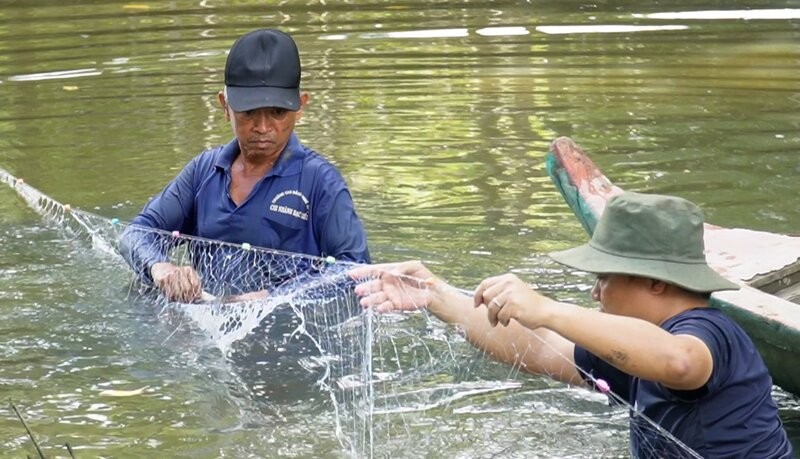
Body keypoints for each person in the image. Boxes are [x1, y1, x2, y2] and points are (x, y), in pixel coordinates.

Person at [350, 191, 791, 458]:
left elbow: (678, 361)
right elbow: (541, 349)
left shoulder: (710, 333)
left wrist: (549, 308)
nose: (596, 293)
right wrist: (436, 296)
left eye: (604, 278)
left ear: (656, 283)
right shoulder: (632, 350)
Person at [120, 29, 370, 302]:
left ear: (300, 106)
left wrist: (268, 298)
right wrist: (162, 269)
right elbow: (136, 233)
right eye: (249, 112)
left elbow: (357, 271)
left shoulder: (320, 181)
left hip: (285, 335)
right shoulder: (204, 172)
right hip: (207, 326)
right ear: (225, 105)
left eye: (277, 112)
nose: (263, 127)